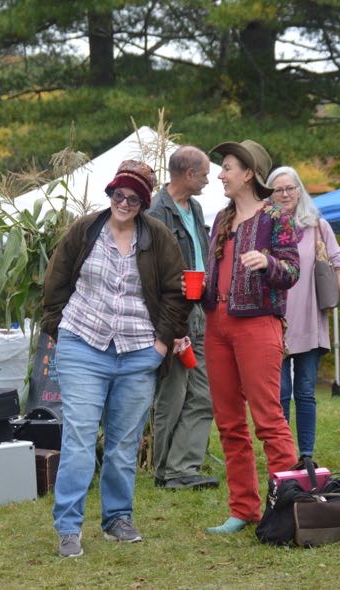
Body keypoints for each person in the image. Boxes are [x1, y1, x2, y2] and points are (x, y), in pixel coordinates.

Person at [42, 159, 191, 558]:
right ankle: (69, 528)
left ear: (143, 203)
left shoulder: (158, 237)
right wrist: (60, 331)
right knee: (78, 439)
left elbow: (177, 294)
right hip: (83, 345)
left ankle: (117, 519)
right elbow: (54, 283)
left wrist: (161, 344)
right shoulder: (85, 230)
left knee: (123, 444)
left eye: (133, 198)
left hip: (137, 351)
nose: (123, 202)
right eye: (117, 194)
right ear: (110, 194)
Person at [201, 140, 300, 534]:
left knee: (269, 419)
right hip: (216, 324)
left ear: (248, 173)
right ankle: (243, 508)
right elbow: (216, 273)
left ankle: (288, 508)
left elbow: (291, 271)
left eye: (226, 167)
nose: (220, 174)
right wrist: (196, 289)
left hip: (258, 324)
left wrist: (268, 262)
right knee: (228, 423)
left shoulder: (276, 216)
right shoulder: (221, 219)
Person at [267, 166, 340, 458]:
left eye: (289, 188)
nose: (284, 194)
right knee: (279, 395)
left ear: (299, 190)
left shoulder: (317, 226)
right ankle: (283, 456)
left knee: (305, 392)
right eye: (278, 189)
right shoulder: (264, 227)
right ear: (270, 194)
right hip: (274, 321)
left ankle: (306, 454)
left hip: (309, 319)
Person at [146, 146, 218, 491]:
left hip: (201, 311)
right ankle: (167, 471)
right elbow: (152, 277)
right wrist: (171, 328)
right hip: (175, 315)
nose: (209, 179)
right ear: (188, 174)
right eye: (204, 174)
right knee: (172, 395)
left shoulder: (197, 207)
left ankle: (183, 466)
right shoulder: (156, 212)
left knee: (204, 394)